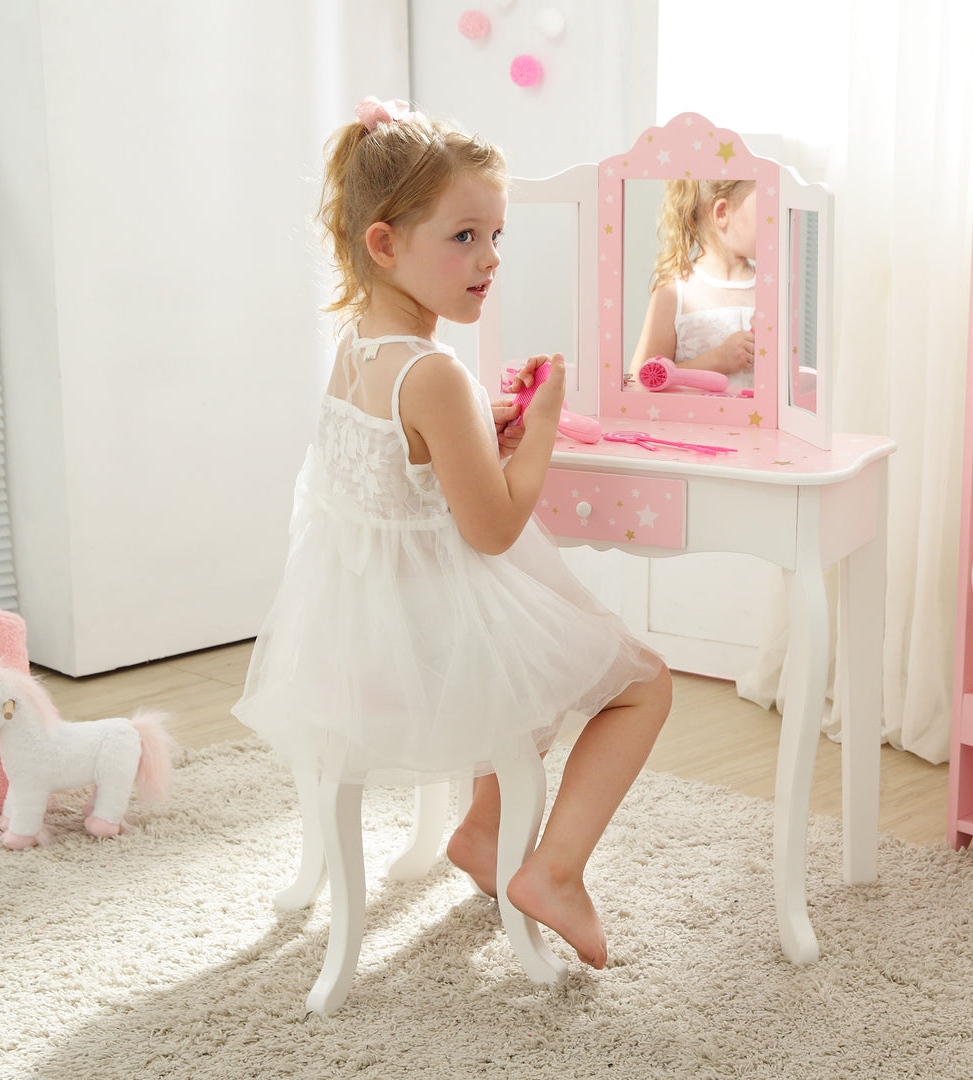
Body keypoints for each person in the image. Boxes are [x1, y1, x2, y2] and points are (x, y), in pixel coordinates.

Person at [232, 96, 671, 970]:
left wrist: (478, 427)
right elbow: (498, 528)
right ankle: (554, 870)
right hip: (429, 643)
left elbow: (402, 463)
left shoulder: (361, 344)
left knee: (536, 652)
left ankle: (479, 832)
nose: (490, 260)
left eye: (497, 236)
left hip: (364, 626)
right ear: (385, 243)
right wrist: (539, 423)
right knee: (640, 684)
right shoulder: (433, 372)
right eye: (465, 237)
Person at [630, 178, 757, 388]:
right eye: (765, 213)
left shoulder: (773, 290)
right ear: (722, 213)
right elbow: (639, 384)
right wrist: (717, 360)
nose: (774, 222)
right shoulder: (674, 292)